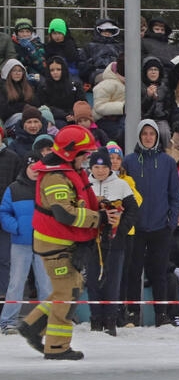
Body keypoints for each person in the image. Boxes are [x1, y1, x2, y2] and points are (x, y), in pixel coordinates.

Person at [15, 127, 104, 358]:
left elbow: (75, 202)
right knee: (69, 292)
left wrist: (100, 205)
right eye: (84, 153)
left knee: (68, 288)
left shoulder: (65, 171)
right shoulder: (55, 176)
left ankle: (32, 325)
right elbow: (64, 213)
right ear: (69, 154)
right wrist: (99, 218)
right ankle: (57, 347)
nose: (87, 158)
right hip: (55, 243)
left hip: (62, 241)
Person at [123, 119, 179, 328]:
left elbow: (175, 196)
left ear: (157, 137)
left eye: (152, 134)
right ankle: (132, 313)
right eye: (145, 134)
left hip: (161, 227)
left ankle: (162, 314)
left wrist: (171, 222)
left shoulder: (167, 162)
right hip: (136, 228)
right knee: (133, 271)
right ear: (139, 136)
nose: (148, 137)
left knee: (159, 272)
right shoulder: (129, 161)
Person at [85, 148, 138, 335]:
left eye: (104, 167)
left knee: (113, 282)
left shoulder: (121, 185)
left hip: (115, 242)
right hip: (92, 242)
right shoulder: (85, 184)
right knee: (92, 281)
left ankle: (110, 320)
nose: (100, 171)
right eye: (96, 167)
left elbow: (133, 211)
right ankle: (95, 320)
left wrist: (121, 228)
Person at [0, 154, 52, 334]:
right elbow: (4, 213)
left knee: (45, 284)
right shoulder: (13, 189)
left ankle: (47, 321)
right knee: (16, 283)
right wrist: (16, 227)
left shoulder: (49, 188)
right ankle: (7, 321)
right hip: (20, 244)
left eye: (39, 168)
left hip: (44, 243)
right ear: (26, 168)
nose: (35, 171)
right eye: (32, 168)